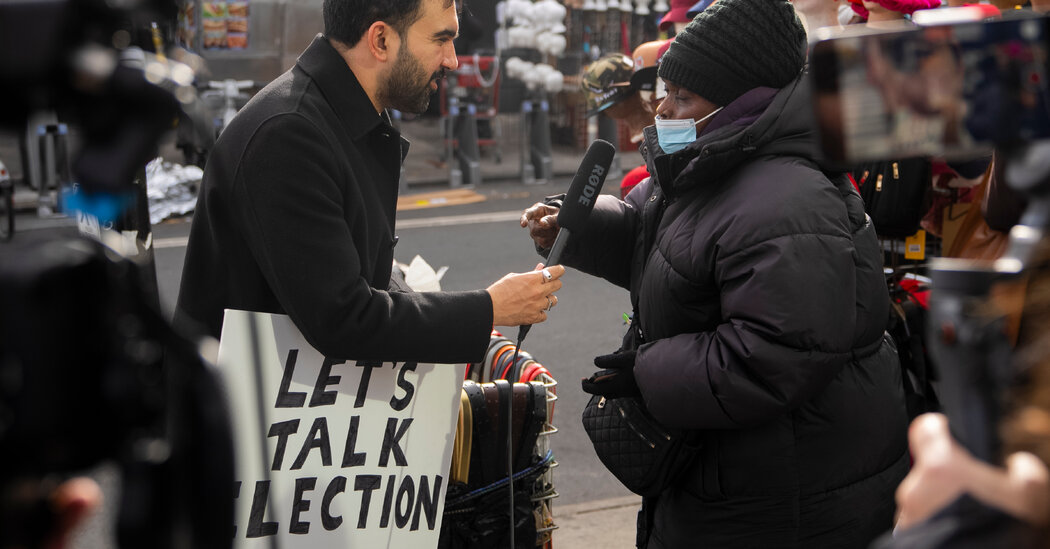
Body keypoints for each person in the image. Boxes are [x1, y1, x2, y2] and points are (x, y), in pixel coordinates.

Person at [521, 0, 908, 546]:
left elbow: (770, 358)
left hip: (781, 499)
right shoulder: (713, 160)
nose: (664, 112)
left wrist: (647, 368)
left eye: (683, 98)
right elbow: (655, 234)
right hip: (730, 479)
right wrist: (577, 227)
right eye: (665, 94)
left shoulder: (788, 201)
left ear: (742, 102)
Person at [175, 0, 565, 363]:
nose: (452, 60)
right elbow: (344, 317)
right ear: (380, 40)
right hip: (238, 422)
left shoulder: (346, 117)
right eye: (441, 39)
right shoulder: (289, 133)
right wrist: (489, 307)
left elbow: (358, 278)